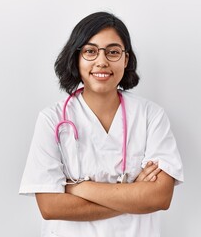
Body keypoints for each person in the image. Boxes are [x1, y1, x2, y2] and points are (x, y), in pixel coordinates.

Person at [19, 12, 184, 237]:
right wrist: (133, 195)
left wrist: (78, 188)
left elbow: (159, 198)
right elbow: (50, 207)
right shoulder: (52, 119)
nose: (102, 61)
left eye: (113, 52)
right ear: (76, 58)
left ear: (126, 59)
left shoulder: (151, 116)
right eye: (90, 51)